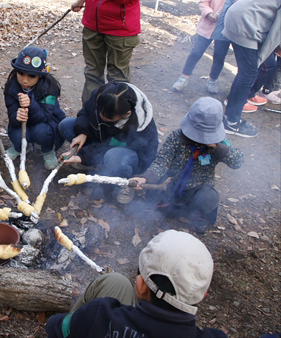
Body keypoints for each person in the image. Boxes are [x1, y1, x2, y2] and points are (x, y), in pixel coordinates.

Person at [46, 230, 227, 338]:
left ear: (140, 285)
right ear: (203, 294)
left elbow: (55, 326)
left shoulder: (100, 315)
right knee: (116, 281)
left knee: (114, 282)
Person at [131, 97, 243, 233]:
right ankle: (159, 204)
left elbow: (237, 161)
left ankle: (199, 215)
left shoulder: (220, 144)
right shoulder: (176, 137)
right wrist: (145, 178)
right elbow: (162, 161)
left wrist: (217, 147)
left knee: (209, 196)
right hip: (171, 184)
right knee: (159, 182)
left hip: (197, 189)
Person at [71, 0, 158, 103]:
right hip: (94, 22)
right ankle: (90, 117)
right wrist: (81, 0)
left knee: (117, 79)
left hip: (121, 29)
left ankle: (114, 121)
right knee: (92, 73)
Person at [58, 81, 158, 204]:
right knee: (66, 125)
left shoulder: (136, 125)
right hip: (103, 139)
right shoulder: (103, 96)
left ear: (126, 114)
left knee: (114, 157)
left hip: (129, 156)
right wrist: (82, 133)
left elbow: (108, 146)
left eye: (107, 117)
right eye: (100, 111)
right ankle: (94, 163)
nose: (101, 116)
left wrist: (80, 157)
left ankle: (126, 181)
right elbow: (85, 112)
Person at [172, 0, 254, 97]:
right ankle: (184, 77)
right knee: (196, 52)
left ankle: (212, 80)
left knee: (219, 56)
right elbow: (203, 2)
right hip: (208, 27)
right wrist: (209, 13)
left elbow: (252, 3)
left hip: (227, 30)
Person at [221, 0, 281, 137]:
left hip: (242, 16)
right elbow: (276, 33)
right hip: (245, 22)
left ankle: (230, 115)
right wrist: (261, 58)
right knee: (249, 74)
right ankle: (231, 122)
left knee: (253, 70)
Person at [4, 46, 65, 170]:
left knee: (42, 131)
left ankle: (48, 150)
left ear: (40, 76)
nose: (24, 80)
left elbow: (46, 116)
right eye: (20, 73)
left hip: (46, 122)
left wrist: (31, 103)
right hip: (24, 123)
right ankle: (19, 147)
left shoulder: (49, 88)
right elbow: (11, 111)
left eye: (31, 76)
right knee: (16, 131)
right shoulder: (11, 86)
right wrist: (17, 116)